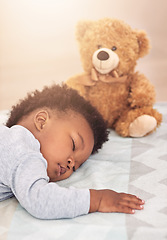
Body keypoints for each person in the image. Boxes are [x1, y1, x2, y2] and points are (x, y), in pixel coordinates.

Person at [0, 84, 144, 219]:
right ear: (42, 121)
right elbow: (39, 199)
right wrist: (97, 200)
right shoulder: (23, 150)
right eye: (74, 144)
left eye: (76, 167)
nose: (71, 163)